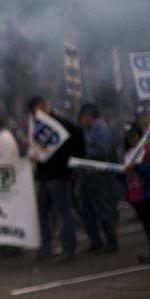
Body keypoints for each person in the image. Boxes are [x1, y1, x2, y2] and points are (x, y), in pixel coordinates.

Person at [27, 96, 84, 262]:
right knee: (42, 212)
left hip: (58, 175)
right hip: (44, 176)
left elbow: (76, 138)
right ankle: (46, 247)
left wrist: (70, 163)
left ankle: (69, 249)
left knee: (62, 212)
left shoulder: (59, 123)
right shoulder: (37, 126)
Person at [77, 102, 119, 253]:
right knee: (87, 210)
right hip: (88, 174)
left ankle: (111, 240)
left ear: (88, 117)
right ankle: (95, 241)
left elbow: (103, 150)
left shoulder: (101, 128)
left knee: (103, 209)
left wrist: (83, 153)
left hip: (99, 174)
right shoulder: (87, 129)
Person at [121, 123, 150, 263]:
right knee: (148, 225)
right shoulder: (126, 154)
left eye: (133, 136)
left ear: (140, 135)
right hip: (136, 195)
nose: (131, 140)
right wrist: (121, 172)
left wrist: (138, 167)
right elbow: (122, 177)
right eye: (128, 137)